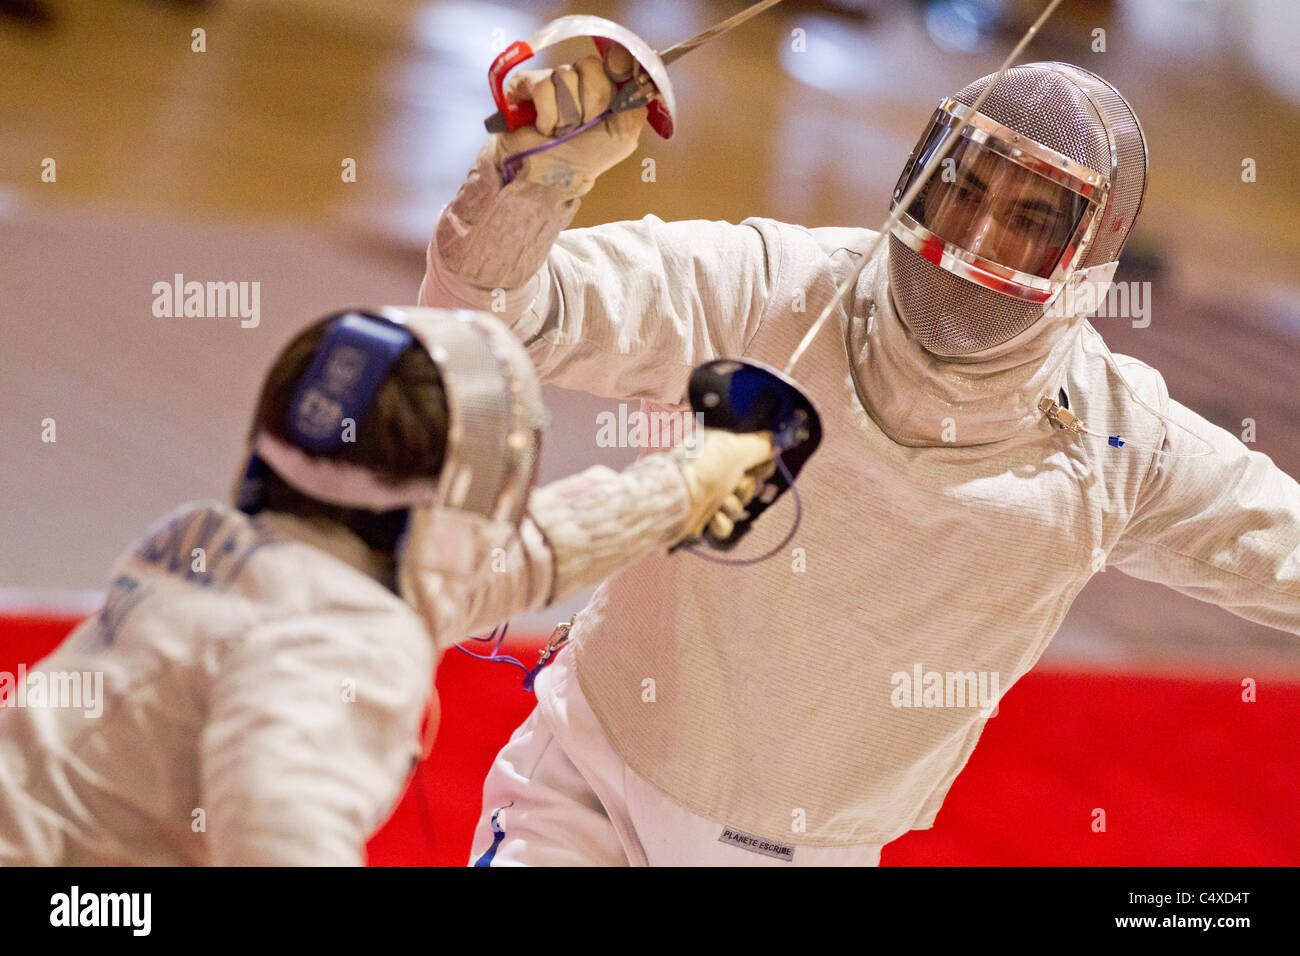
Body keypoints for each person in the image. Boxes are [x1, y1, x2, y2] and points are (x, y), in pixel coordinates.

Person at [420, 52, 1300, 865]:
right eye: (962, 185)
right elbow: (487, 324)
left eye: (1030, 217)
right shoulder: (770, 287)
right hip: (588, 775)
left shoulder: (1117, 442)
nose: (977, 233)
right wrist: (533, 178)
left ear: (1088, 259)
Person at [0, 306, 774, 865]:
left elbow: (510, 556)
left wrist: (687, 484)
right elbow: (280, 841)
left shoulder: (213, 542)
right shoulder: (343, 641)